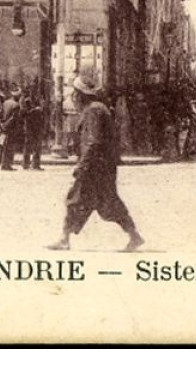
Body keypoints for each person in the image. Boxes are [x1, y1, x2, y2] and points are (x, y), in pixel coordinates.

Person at [47, 76, 144, 252]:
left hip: (94, 167)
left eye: (75, 93)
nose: (74, 96)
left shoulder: (93, 111)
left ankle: (64, 239)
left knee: (74, 199)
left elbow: (93, 141)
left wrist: (82, 166)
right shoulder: (98, 109)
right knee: (108, 203)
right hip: (102, 166)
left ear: (81, 94)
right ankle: (134, 235)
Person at [0, 87, 22, 171]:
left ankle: (4, 164)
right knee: (10, 147)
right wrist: (6, 126)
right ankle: (7, 165)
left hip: (3, 127)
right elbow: (13, 118)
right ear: (17, 96)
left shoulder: (5, 103)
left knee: (4, 146)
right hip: (11, 128)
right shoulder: (16, 105)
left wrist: (1, 125)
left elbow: (0, 114)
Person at [22, 89, 48, 170]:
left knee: (37, 146)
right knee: (28, 145)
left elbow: (43, 114)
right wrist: (35, 110)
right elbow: (24, 113)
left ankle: (35, 164)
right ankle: (26, 164)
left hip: (37, 126)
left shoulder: (39, 102)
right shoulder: (26, 101)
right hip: (30, 126)